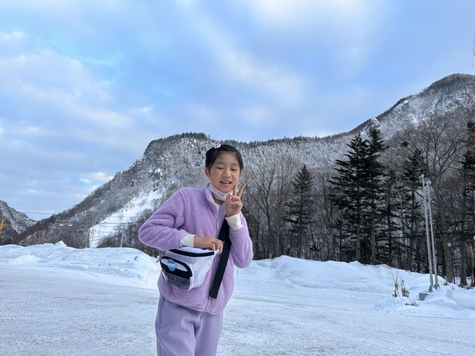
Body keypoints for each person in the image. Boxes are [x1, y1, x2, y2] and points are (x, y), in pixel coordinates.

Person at [139, 143, 254, 356]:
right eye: (220, 167)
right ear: (207, 171)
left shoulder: (236, 214)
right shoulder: (187, 198)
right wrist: (193, 240)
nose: (227, 174)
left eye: (234, 168)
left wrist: (234, 219)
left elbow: (244, 259)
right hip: (178, 302)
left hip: (214, 311)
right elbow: (148, 232)